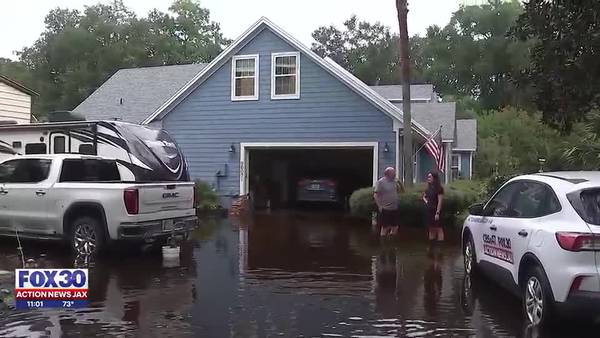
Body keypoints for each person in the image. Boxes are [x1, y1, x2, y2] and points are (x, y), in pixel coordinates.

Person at [374, 167, 403, 237]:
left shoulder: (395, 181)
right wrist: (379, 206)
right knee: (385, 227)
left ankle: (391, 241)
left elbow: (402, 191)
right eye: (393, 173)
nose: (395, 174)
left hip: (395, 208)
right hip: (385, 208)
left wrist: (400, 183)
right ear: (388, 174)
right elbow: (375, 195)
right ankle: (383, 242)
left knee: (395, 227)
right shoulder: (381, 182)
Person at [423, 171, 444, 242]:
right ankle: (431, 245)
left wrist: (437, 213)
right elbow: (424, 197)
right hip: (429, 210)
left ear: (434, 178)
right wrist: (427, 202)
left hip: (436, 210)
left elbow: (440, 201)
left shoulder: (439, 188)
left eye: (430, 177)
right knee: (431, 228)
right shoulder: (428, 188)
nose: (428, 178)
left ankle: (440, 247)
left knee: (438, 228)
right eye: (428, 177)